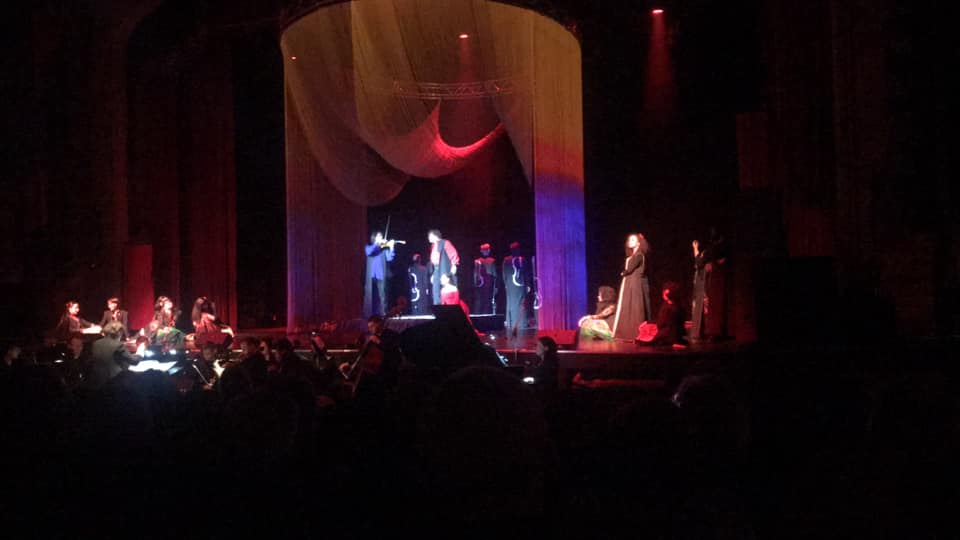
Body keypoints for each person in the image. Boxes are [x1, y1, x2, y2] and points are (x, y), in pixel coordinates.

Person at [612, 233, 651, 341]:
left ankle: (634, 333)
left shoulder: (638, 255)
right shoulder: (635, 255)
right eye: (629, 240)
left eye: (633, 240)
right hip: (630, 283)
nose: (630, 241)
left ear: (638, 243)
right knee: (630, 307)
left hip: (634, 284)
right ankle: (628, 332)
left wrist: (623, 273)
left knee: (635, 307)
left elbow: (629, 269)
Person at [85, 321, 139, 391]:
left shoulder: (96, 343)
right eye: (121, 333)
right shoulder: (118, 345)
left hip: (98, 380)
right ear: (119, 332)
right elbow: (134, 361)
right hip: (114, 380)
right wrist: (141, 350)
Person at [637, 281, 687, 348]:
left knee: (644, 339)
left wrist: (649, 324)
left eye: (666, 293)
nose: (663, 294)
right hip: (672, 332)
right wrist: (648, 322)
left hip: (669, 334)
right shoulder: (671, 305)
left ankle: (672, 342)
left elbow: (661, 323)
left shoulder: (672, 308)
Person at [364, 231, 397, 316]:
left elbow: (390, 258)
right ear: (374, 237)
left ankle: (382, 314)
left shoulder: (384, 249)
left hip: (381, 275)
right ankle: (370, 314)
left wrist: (391, 247)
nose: (381, 238)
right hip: (371, 277)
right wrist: (378, 243)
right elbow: (369, 252)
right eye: (379, 236)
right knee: (371, 297)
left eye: (381, 236)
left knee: (382, 296)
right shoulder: (368, 247)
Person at [503, 241, 532, 334]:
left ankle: (515, 322)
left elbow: (504, 274)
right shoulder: (517, 259)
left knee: (516, 303)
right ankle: (519, 323)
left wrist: (527, 284)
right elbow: (525, 273)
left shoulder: (519, 259)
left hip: (515, 285)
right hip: (515, 285)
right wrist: (527, 284)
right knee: (516, 303)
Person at [428, 229, 459, 305]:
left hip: (444, 268)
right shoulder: (433, 246)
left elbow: (453, 253)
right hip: (436, 269)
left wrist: (454, 264)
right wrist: (433, 273)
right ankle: (438, 307)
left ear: (434, 235)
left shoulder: (445, 242)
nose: (428, 237)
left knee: (446, 289)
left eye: (429, 235)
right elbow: (434, 261)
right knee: (436, 290)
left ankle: (447, 308)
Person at [472, 243, 498, 315]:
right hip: (479, 284)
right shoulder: (477, 261)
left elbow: (495, 275)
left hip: (488, 284)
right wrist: (475, 283)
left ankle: (486, 317)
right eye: (484, 250)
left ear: (489, 250)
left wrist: (496, 286)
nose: (485, 251)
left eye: (487, 250)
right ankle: (477, 316)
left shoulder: (492, 261)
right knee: (479, 301)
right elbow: (475, 273)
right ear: (481, 251)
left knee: (487, 301)